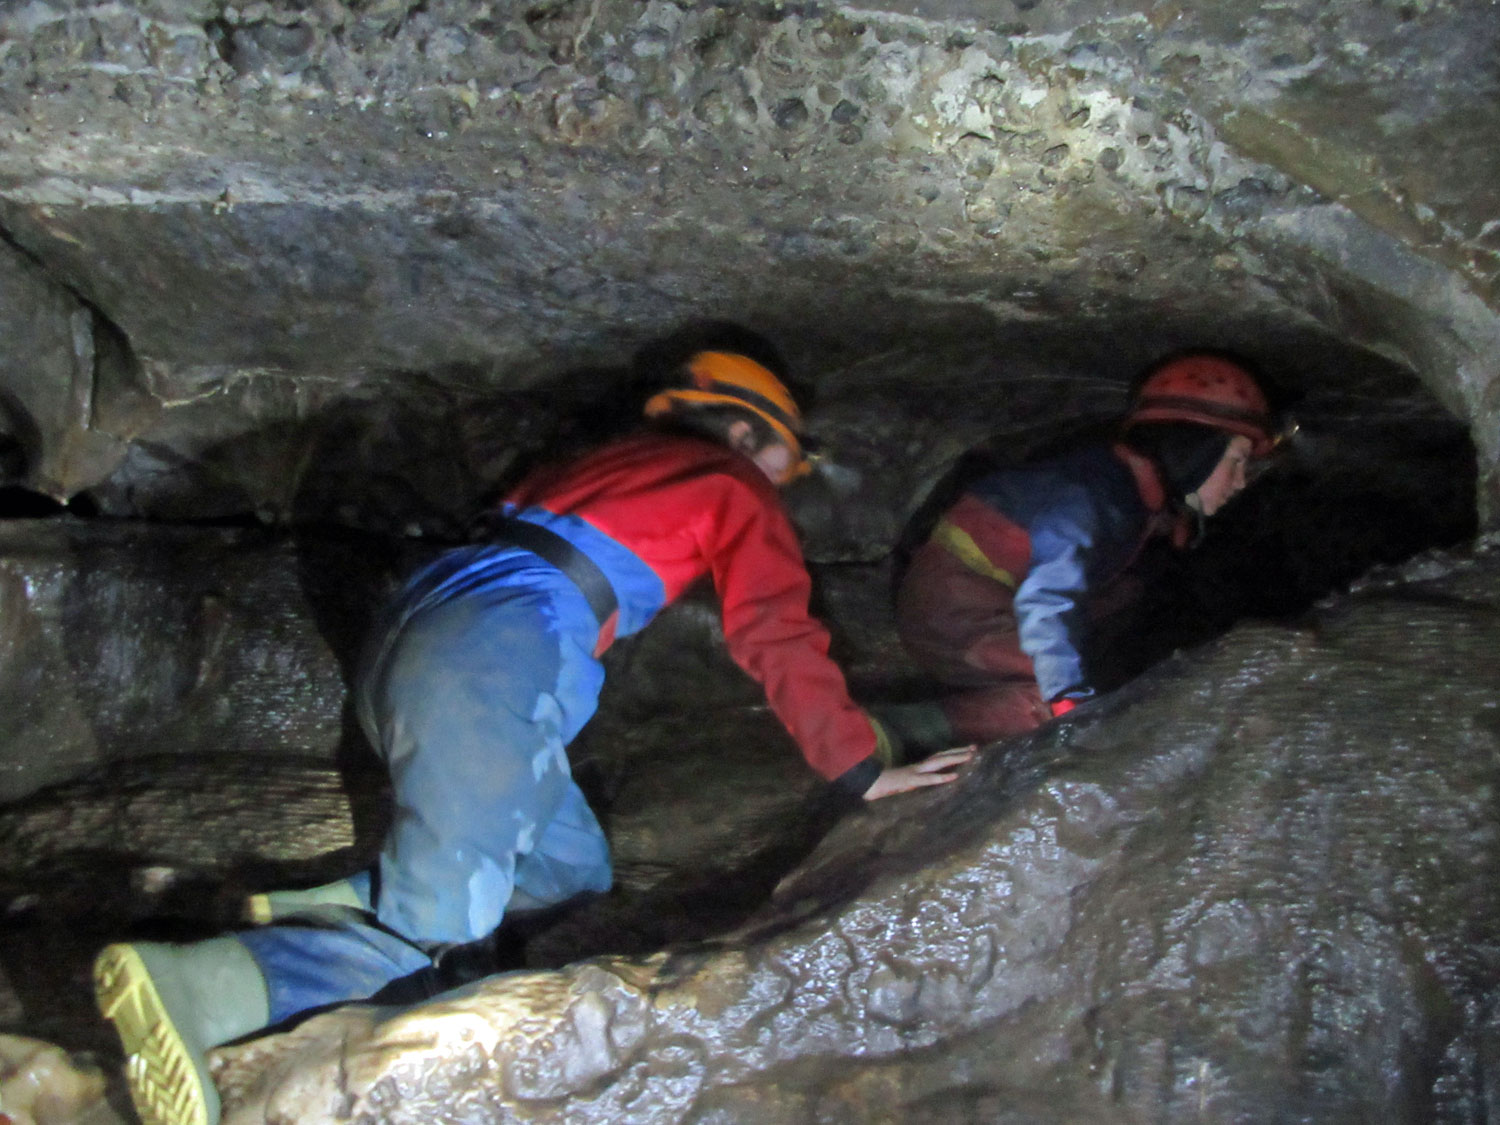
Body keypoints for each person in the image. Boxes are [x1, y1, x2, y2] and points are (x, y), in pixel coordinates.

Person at [92, 348, 975, 1125]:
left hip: (426, 634)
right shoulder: (729, 483)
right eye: (789, 453)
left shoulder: (604, 463)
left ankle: (331, 904)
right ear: (746, 433)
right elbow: (774, 630)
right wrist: (859, 768)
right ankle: (205, 986)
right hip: (493, 657)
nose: (790, 476)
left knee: (568, 874)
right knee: (439, 925)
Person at [881, 351, 1282, 752]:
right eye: (1236, 462)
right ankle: (897, 729)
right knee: (1082, 697)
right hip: (955, 617)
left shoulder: (1139, 495)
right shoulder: (1093, 495)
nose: (1242, 481)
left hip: (977, 604)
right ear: (1196, 451)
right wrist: (1071, 699)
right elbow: (1048, 599)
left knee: (1130, 605)